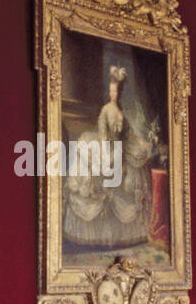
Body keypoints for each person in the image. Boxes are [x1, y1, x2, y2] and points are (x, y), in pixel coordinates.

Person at [64, 66, 155, 247]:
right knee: (101, 162)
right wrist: (109, 150)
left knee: (135, 165)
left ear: (120, 92)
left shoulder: (122, 111)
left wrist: (140, 144)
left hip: (120, 145)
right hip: (107, 145)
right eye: (112, 91)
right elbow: (103, 132)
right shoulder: (106, 110)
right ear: (109, 92)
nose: (114, 94)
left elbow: (128, 133)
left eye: (117, 91)